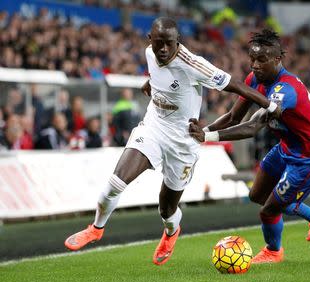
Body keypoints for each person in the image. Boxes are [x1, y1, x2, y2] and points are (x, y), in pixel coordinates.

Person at [64, 17, 280, 266]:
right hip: (154, 129)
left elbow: (237, 86)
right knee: (115, 182)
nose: (163, 49)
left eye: (169, 44)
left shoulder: (193, 64)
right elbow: (158, 73)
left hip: (183, 142)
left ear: (178, 42)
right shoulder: (150, 53)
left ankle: (171, 232)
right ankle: (96, 228)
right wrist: (150, 84)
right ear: (150, 41)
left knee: (166, 210)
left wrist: (270, 105)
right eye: (158, 44)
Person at [189, 29, 310, 264]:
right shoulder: (255, 79)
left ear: (278, 60)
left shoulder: (286, 90)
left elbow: (252, 128)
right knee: (257, 195)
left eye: (262, 60)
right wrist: (202, 132)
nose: (255, 65)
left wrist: (207, 139)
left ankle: (273, 252)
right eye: (252, 59)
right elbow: (234, 117)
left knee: (269, 210)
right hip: (287, 147)